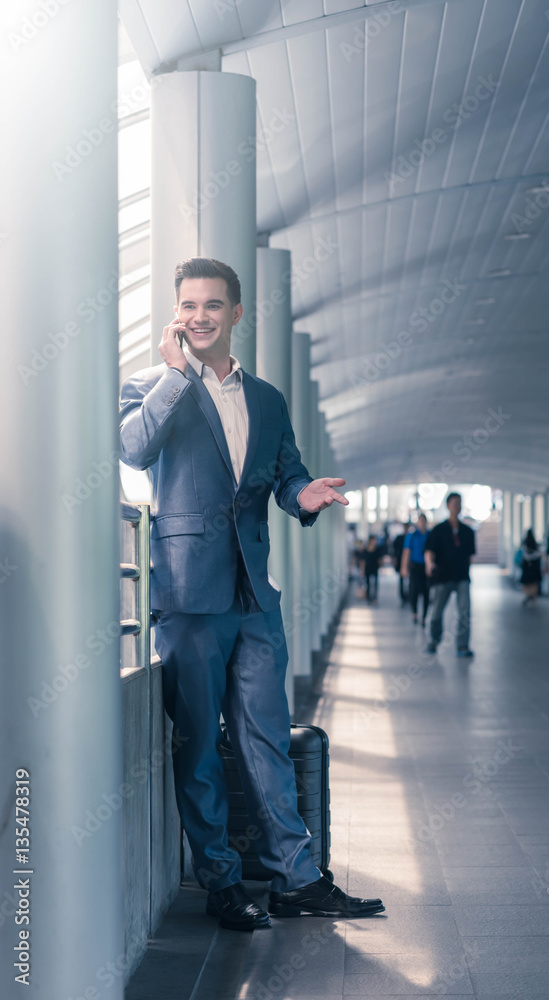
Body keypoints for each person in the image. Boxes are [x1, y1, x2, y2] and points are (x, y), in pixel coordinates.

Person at [119, 257, 383, 930]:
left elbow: (286, 473)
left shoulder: (267, 399)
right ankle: (223, 882)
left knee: (265, 736)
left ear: (237, 313)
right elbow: (132, 450)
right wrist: (176, 376)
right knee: (200, 745)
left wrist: (305, 494)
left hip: (254, 596)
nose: (200, 316)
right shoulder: (154, 385)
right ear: (176, 314)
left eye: (213, 305)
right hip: (188, 594)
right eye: (189, 305)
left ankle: (297, 877)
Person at [422, 493, 476, 657]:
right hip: (442, 577)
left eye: (459, 503)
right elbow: (429, 550)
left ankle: (462, 646)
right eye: (454, 503)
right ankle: (434, 640)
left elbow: (469, 556)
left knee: (464, 612)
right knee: (437, 611)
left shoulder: (467, 531)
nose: (456, 506)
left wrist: (467, 571)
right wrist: (429, 564)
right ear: (448, 506)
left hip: (462, 577)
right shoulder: (438, 530)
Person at [401, 513, 430, 626]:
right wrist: (404, 567)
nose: (422, 523)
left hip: (425, 567)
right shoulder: (412, 535)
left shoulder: (429, 535)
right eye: (420, 521)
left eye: (424, 521)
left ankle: (424, 616)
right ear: (418, 522)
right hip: (415, 566)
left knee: (426, 592)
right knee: (414, 590)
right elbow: (406, 552)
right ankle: (415, 613)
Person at [520, 529, 542, 606]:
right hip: (534, 566)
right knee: (534, 582)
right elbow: (539, 554)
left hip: (527, 566)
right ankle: (533, 598)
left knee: (527, 582)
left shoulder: (524, 544)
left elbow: (523, 553)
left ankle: (528, 595)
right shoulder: (535, 543)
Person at [393, 522, 411, 606]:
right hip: (401, 561)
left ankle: (408, 595)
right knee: (401, 579)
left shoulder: (410, 537)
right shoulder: (399, 538)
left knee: (410, 580)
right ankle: (403, 596)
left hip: (410, 562)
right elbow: (395, 550)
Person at [362, 535, 380, 603]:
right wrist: (362, 570)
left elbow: (379, 559)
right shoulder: (366, 549)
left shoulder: (377, 549)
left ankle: (375, 597)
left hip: (375, 567)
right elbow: (363, 560)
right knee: (368, 583)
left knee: (375, 583)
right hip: (368, 568)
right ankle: (368, 597)